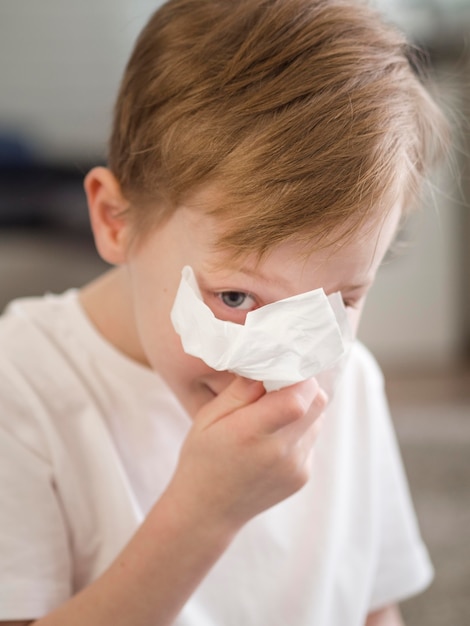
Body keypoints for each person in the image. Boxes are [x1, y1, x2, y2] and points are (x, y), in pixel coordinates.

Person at [0, 0, 448, 624]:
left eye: (339, 300)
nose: (287, 371)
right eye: (236, 298)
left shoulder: (351, 385)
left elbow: (374, 607)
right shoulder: (20, 388)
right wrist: (204, 515)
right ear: (115, 221)